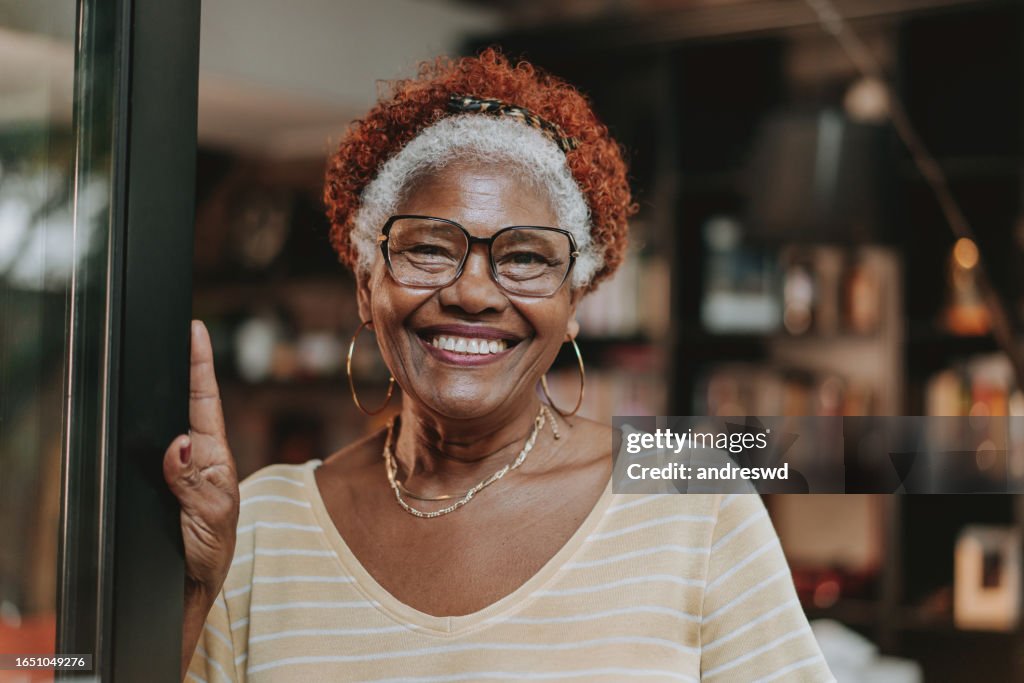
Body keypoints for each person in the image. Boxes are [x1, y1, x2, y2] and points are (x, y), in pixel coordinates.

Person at [167, 49, 835, 682]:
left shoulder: (693, 500)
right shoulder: (259, 524)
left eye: (524, 257)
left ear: (574, 300)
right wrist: (190, 597)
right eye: (428, 247)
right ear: (367, 285)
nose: (473, 292)